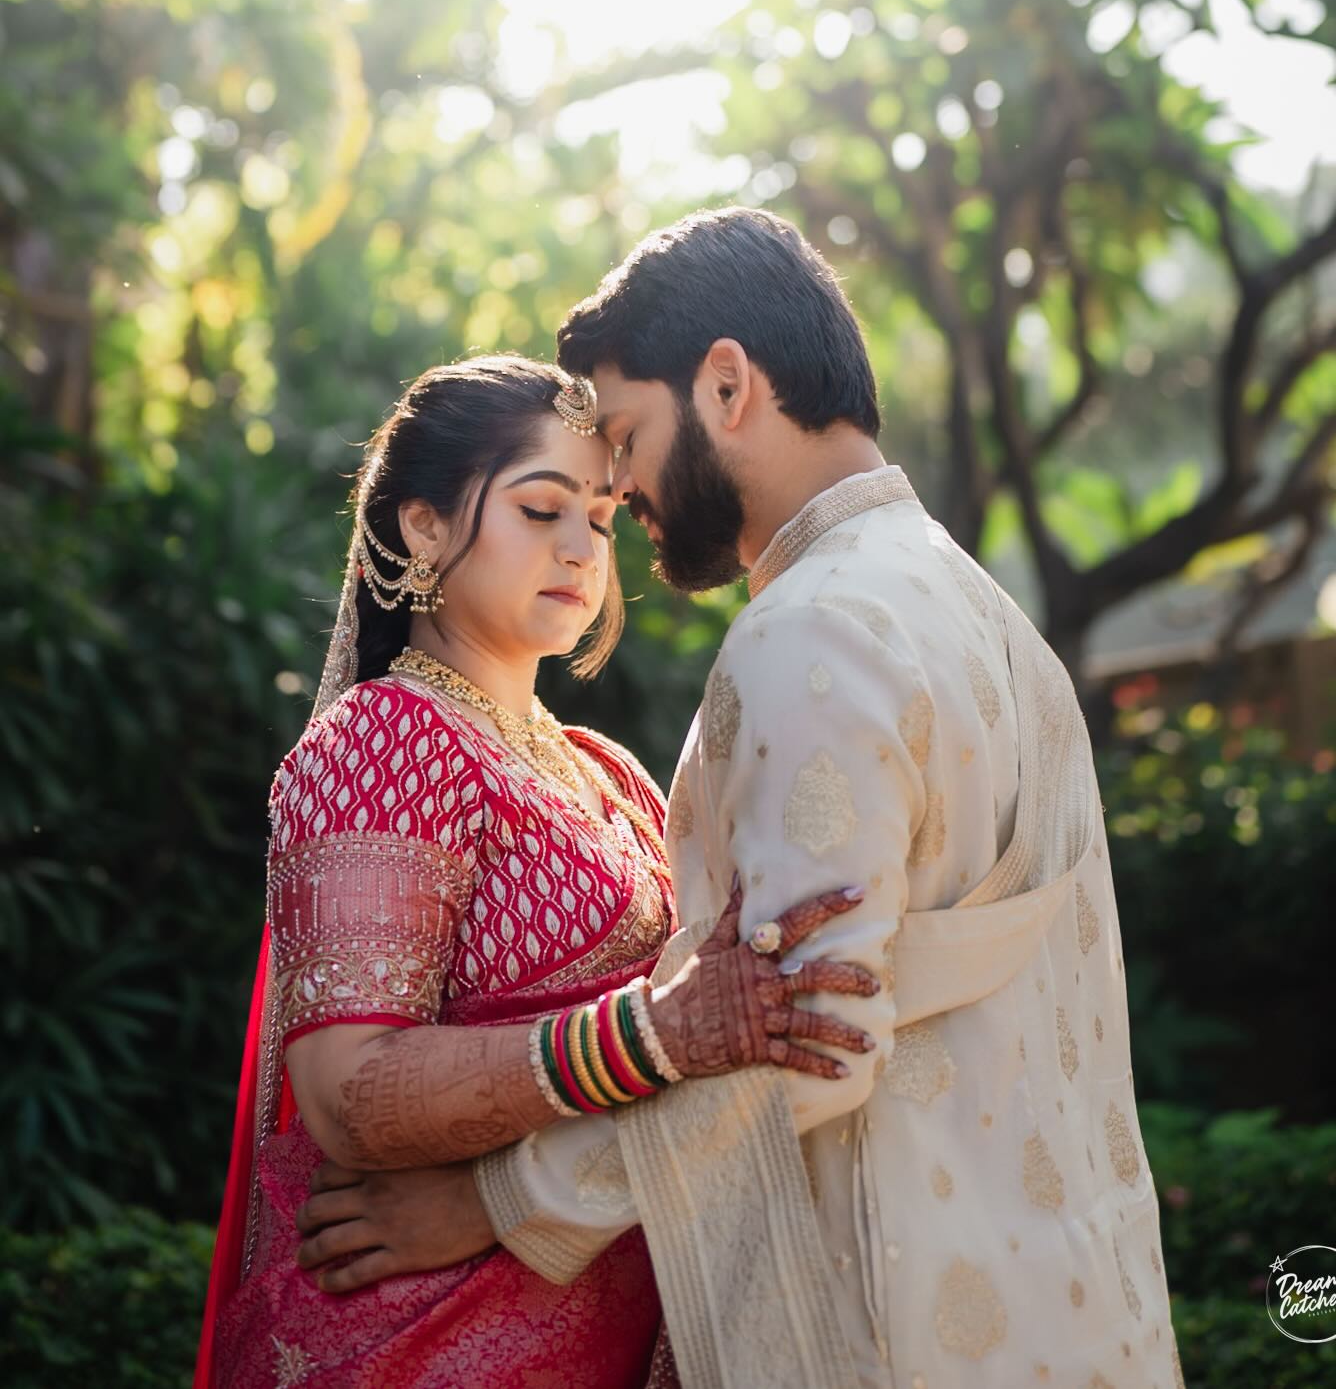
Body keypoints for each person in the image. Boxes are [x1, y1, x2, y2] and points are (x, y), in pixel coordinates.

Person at [299, 213, 1184, 1389]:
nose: (615, 488)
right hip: (1070, 1304)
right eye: (549, 497)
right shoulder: (988, 615)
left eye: (620, 442)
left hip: (888, 1316)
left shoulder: (812, 627)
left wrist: (503, 1197)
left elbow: (804, 1040)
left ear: (724, 384)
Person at [195, 352, 877, 1389]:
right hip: (412, 1345)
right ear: (423, 525)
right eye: (540, 508)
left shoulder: (604, 769)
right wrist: (655, 1032)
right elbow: (350, 1094)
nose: (579, 548)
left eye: (600, 519)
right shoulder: (384, 742)